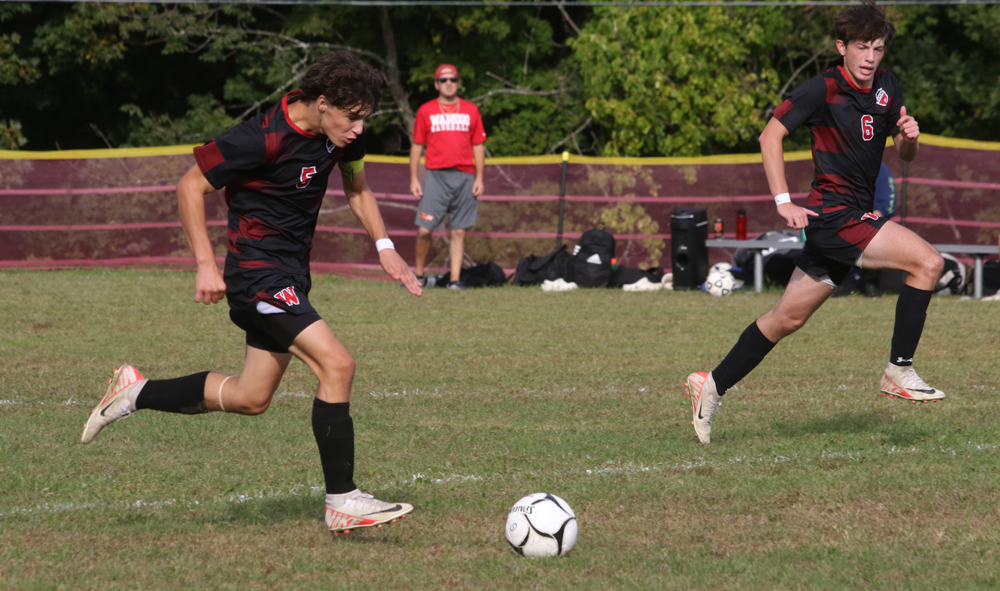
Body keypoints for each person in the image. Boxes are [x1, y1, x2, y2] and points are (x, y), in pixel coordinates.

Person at [81, 51, 424, 534]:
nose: (359, 130)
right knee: (338, 365)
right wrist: (204, 265)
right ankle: (343, 500)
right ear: (322, 103)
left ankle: (135, 391)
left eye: (365, 119)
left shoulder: (337, 137)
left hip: (290, 275)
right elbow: (189, 187)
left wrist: (385, 246)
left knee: (250, 397)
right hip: (256, 276)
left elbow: (358, 189)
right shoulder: (259, 137)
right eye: (353, 118)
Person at [685, 1, 945, 444]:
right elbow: (771, 135)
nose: (870, 57)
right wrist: (783, 201)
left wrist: (908, 139)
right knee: (928, 263)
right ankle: (898, 371)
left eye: (878, 48)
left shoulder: (888, 86)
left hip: (851, 217)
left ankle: (709, 384)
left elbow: (903, 155)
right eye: (862, 47)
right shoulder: (821, 88)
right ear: (841, 46)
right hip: (836, 216)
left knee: (786, 319)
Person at [409, 64, 487, 290]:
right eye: (443, 80)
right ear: (436, 84)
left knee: (459, 231)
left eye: (453, 79)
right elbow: (417, 145)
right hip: (435, 176)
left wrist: (480, 178)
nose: (449, 83)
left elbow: (478, 145)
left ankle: (454, 280)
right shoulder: (426, 110)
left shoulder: (471, 110)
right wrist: (414, 177)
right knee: (424, 230)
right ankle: (420, 276)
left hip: (464, 176)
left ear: (458, 83)